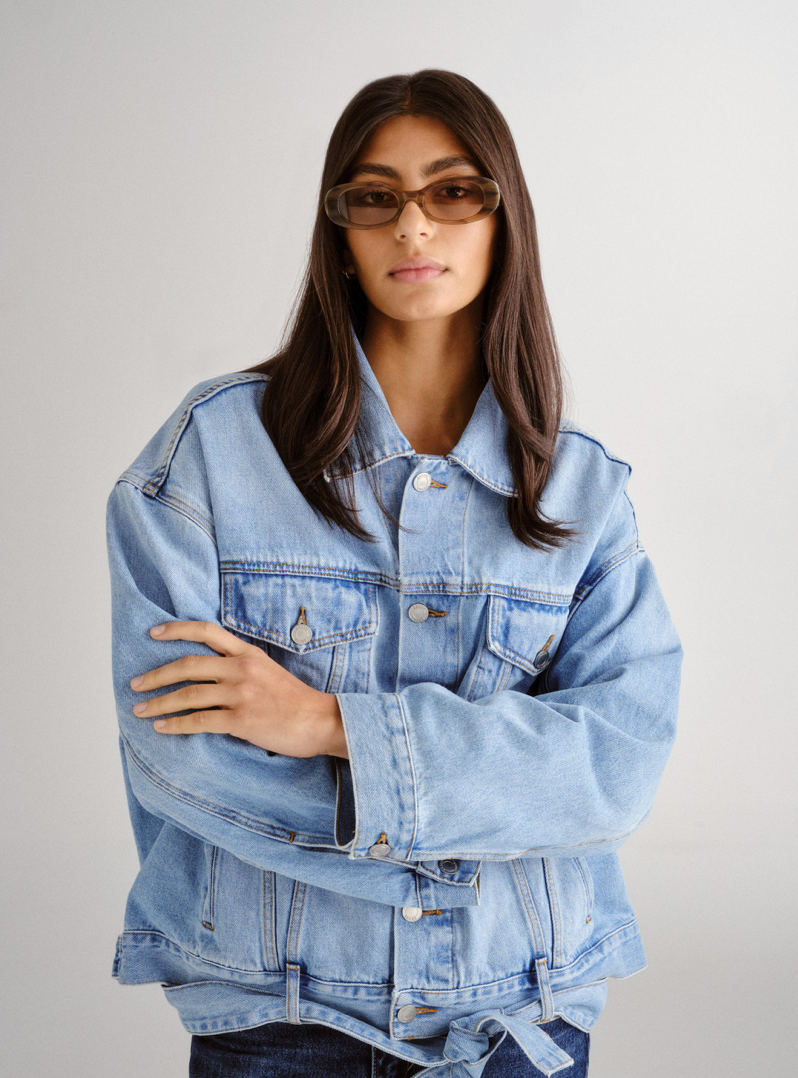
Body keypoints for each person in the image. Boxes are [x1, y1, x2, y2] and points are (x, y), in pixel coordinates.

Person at [105, 69, 683, 1078]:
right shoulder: (211, 455)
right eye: (375, 198)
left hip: (519, 1023)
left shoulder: (583, 490)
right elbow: (179, 758)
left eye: (453, 191)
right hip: (278, 1025)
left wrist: (330, 726)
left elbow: (616, 762)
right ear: (340, 233)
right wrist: (477, 818)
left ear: (503, 218)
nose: (414, 226)